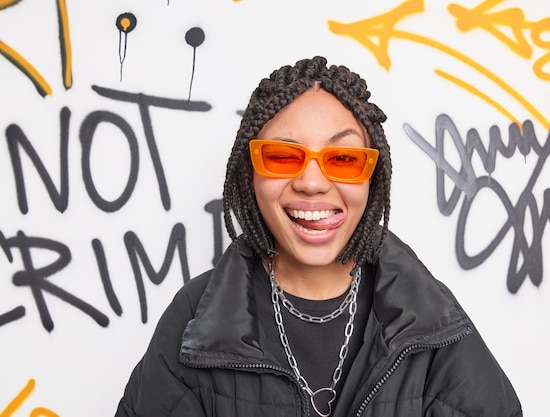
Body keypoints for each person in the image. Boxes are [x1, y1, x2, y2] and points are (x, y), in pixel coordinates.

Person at [115, 56, 523, 417]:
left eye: (343, 159)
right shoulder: (195, 317)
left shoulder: (431, 318)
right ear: (248, 173)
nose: (312, 182)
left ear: (372, 178)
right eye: (281, 156)